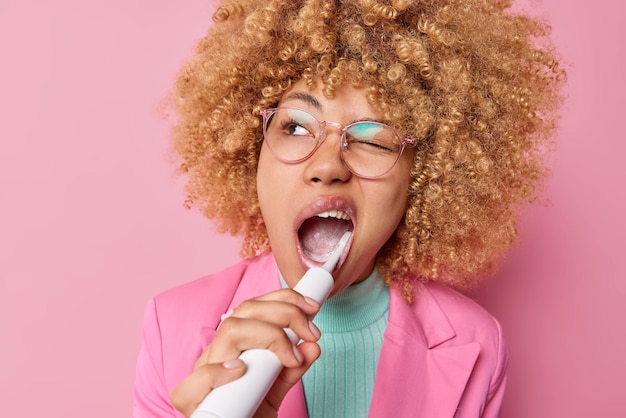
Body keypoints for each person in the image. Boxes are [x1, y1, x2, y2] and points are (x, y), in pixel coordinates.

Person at [133, 0, 564, 416]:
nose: (327, 166)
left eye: (374, 139)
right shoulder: (172, 328)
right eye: (296, 126)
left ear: (426, 176)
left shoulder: (477, 343)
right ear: (251, 150)